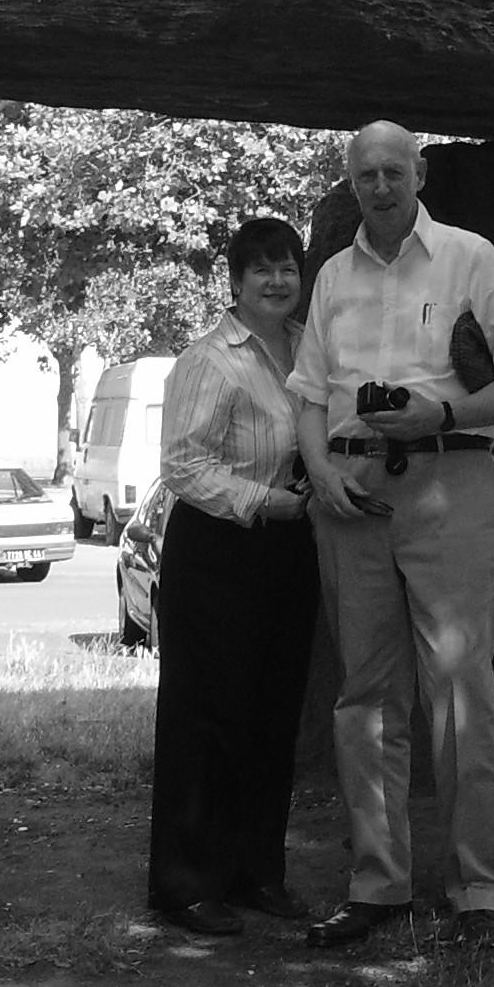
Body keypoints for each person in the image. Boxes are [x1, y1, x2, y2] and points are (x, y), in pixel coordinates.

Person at [289, 120, 494, 949]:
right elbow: (304, 393)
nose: (379, 186)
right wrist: (319, 471)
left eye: (391, 171)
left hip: (452, 482)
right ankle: (378, 886)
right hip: (351, 493)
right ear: (351, 183)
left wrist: (439, 411)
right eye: (364, 174)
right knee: (363, 697)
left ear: (420, 172)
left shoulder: (473, 258)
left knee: (460, 689)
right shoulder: (331, 275)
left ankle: (479, 890)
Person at [146, 216, 319, 937]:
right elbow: (182, 465)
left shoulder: (311, 346)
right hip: (219, 549)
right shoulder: (207, 359)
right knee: (207, 717)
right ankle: (187, 885)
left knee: (272, 714)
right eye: (261, 269)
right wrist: (264, 501)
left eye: (287, 266)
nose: (277, 280)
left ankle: (256, 873)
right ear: (236, 281)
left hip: (290, 547)